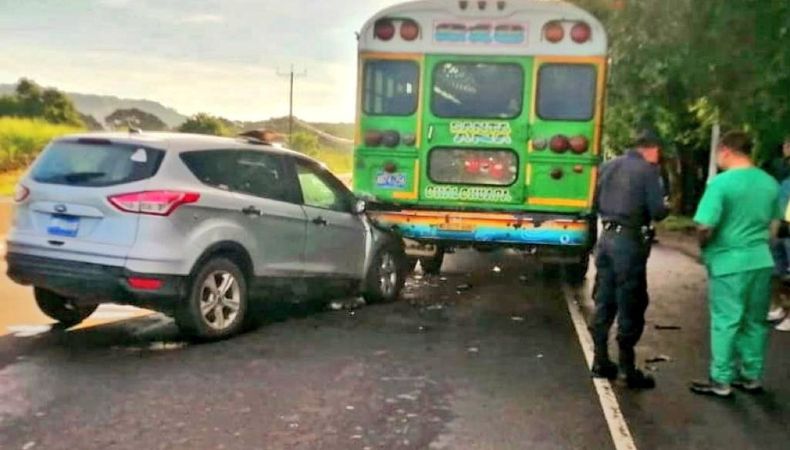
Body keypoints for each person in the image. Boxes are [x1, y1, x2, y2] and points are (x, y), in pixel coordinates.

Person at [690, 131, 781, 397]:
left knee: (726, 320)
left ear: (726, 151)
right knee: (755, 321)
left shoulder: (721, 184)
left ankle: (721, 380)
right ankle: (751, 376)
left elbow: (705, 224)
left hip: (729, 261)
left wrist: (705, 245)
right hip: (761, 260)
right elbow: (774, 227)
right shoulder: (770, 183)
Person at [591, 128, 669, 389]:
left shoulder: (607, 166)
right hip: (629, 242)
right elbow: (657, 212)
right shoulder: (648, 171)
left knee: (604, 299)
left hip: (606, 239)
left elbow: (592, 202)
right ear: (653, 148)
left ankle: (600, 360)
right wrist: (666, 206)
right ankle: (627, 367)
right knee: (631, 301)